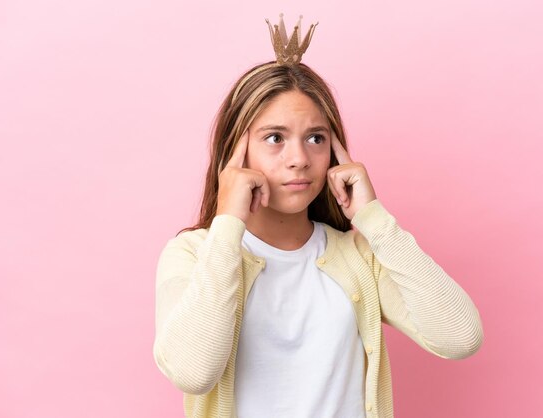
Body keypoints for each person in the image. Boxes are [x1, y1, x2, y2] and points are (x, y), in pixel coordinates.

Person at [152, 14, 483, 418]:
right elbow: (192, 371)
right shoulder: (192, 254)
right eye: (275, 138)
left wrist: (374, 219)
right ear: (235, 154)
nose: (299, 159)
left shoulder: (358, 255)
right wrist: (227, 224)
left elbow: (461, 337)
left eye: (315, 138)